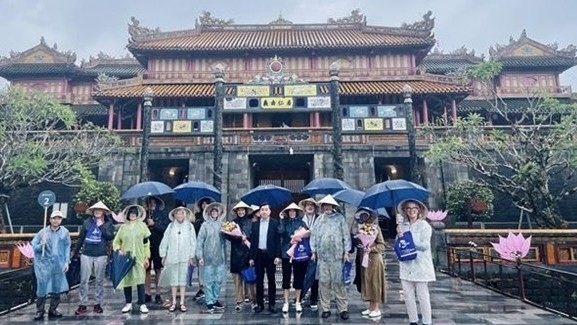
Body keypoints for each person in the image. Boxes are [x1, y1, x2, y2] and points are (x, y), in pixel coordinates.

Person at [310, 194, 351, 320]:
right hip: (323, 258)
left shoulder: (340, 219)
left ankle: (343, 308)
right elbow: (314, 236)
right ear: (322, 207)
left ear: (333, 206)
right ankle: (326, 307)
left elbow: (346, 235)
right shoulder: (319, 220)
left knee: (339, 283)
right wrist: (313, 251)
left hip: (337, 257)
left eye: (329, 205)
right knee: (324, 283)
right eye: (325, 205)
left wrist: (346, 252)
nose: (327, 207)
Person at [396, 199, 436, 325]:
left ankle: (427, 321)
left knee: (422, 295)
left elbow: (424, 245)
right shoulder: (402, 226)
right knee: (408, 295)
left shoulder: (424, 226)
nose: (411, 211)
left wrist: (409, 240)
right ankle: (413, 320)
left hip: (420, 264)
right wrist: (399, 236)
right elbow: (399, 245)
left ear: (419, 210)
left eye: (414, 208)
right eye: (408, 208)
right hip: (406, 264)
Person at [73, 201, 115, 315]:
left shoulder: (108, 223)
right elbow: (81, 238)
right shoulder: (87, 222)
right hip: (87, 253)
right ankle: (82, 303)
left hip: (101, 254)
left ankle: (98, 303)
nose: (97, 212)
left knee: (99, 280)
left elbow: (110, 236)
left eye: (100, 210)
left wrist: (101, 227)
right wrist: (75, 253)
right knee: (84, 280)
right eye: (95, 210)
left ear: (103, 212)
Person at [31, 210, 71, 321]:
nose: (56, 220)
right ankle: (40, 311)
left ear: (61, 220)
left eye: (58, 218)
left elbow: (67, 247)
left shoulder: (65, 232)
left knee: (56, 286)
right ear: (50, 219)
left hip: (58, 263)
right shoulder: (42, 232)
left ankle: (53, 309)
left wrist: (67, 261)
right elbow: (33, 246)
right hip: (44, 264)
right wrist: (41, 245)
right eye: (54, 218)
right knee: (42, 287)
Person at [113, 204, 151, 314]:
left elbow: (146, 243)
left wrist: (146, 257)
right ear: (128, 215)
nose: (133, 215)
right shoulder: (123, 227)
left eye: (135, 213)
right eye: (131, 213)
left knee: (140, 280)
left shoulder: (143, 226)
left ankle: (142, 303)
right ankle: (128, 303)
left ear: (138, 215)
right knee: (127, 280)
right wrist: (119, 249)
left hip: (139, 256)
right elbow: (116, 242)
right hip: (127, 257)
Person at [159, 207, 196, 312]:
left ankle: (182, 302)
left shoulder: (189, 226)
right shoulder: (170, 227)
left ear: (185, 215)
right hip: (172, 256)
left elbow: (193, 242)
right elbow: (165, 240)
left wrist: (191, 256)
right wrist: (163, 255)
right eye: (177, 214)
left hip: (184, 256)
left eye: (181, 214)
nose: (179, 216)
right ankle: (174, 301)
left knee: (182, 280)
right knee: (174, 280)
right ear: (174, 215)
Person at [352, 208, 386, 318]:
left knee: (375, 283)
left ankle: (376, 308)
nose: (363, 218)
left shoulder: (376, 229)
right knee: (368, 282)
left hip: (375, 260)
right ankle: (371, 306)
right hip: (364, 260)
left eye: (366, 216)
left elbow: (381, 245)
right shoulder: (361, 229)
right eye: (362, 216)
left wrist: (371, 249)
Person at [249, 202, 281, 314]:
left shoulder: (275, 223)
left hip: (270, 255)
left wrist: (278, 255)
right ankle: (260, 304)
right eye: (262, 209)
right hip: (258, 254)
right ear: (259, 211)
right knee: (259, 280)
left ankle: (272, 304)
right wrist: (251, 257)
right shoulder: (255, 224)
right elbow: (253, 242)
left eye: (266, 209)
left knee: (272, 280)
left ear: (270, 211)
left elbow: (278, 241)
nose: (264, 211)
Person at [196, 202, 227, 313]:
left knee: (218, 280)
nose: (214, 213)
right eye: (212, 211)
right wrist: (200, 256)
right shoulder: (205, 225)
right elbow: (200, 241)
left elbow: (226, 238)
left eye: (216, 211)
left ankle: (215, 299)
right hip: (208, 257)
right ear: (209, 213)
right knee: (208, 280)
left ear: (218, 213)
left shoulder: (222, 225)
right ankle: (209, 301)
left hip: (220, 256)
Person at [224, 201, 255, 311]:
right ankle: (238, 300)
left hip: (247, 254)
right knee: (237, 280)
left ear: (245, 211)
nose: (241, 212)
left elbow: (254, 238)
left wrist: (247, 238)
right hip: (236, 254)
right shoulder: (232, 223)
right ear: (236, 211)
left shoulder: (251, 223)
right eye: (239, 210)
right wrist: (238, 237)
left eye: (243, 210)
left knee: (250, 279)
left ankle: (252, 299)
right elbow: (227, 236)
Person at [278, 202, 309, 313]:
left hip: (298, 254)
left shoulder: (302, 223)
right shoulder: (284, 222)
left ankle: (297, 301)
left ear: (296, 212)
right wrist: (281, 219)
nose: (291, 213)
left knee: (298, 277)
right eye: (289, 211)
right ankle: (285, 301)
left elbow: (307, 234)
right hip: (286, 253)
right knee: (286, 277)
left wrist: (299, 237)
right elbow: (280, 231)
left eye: (293, 211)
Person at [144, 196, 169, 304]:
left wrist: (154, 224)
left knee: (158, 269)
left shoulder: (162, 214)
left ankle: (158, 293)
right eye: (150, 202)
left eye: (154, 202)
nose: (152, 204)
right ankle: (147, 293)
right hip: (146, 245)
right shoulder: (144, 214)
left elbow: (165, 229)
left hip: (158, 244)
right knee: (147, 270)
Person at [298, 198, 319, 310]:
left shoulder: (319, 219)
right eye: (308, 205)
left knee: (315, 276)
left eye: (312, 205)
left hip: (316, 251)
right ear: (304, 207)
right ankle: (300, 297)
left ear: (315, 208)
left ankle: (313, 298)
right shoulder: (300, 220)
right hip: (303, 251)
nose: (310, 207)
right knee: (302, 275)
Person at [192, 197, 214, 301]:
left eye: (207, 204)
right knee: (200, 269)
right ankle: (201, 288)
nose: (205, 206)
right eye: (203, 204)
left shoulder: (212, 217)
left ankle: (209, 288)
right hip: (199, 245)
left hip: (210, 247)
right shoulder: (197, 216)